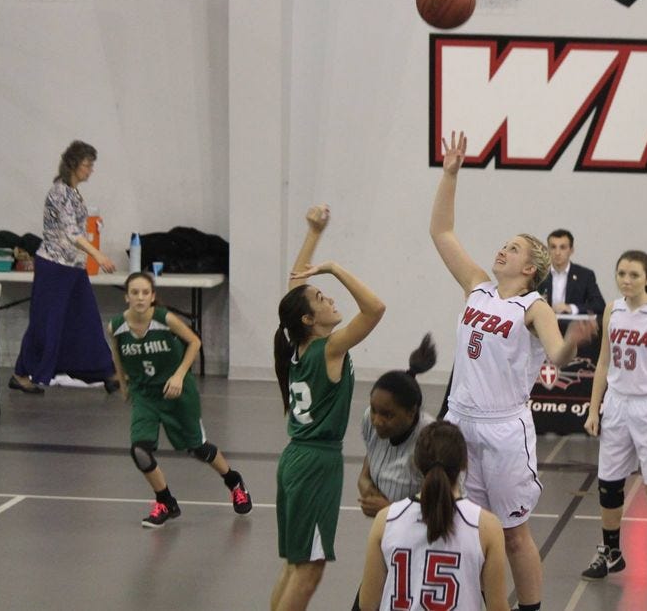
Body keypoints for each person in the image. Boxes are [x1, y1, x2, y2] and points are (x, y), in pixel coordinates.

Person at [430, 131, 595, 611]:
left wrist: (574, 341)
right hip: (460, 422)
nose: (502, 250)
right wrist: (450, 174)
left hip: (504, 429)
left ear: (530, 268)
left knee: (514, 534)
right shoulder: (477, 287)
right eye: (503, 245)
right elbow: (441, 232)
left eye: (514, 249)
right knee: (462, 527)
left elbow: (557, 354)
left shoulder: (533, 305)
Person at [270, 205, 386, 611]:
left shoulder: (294, 346)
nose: (330, 298)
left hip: (295, 459)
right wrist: (333, 268)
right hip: (317, 464)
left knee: (295, 565)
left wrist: (313, 233)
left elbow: (294, 289)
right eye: (322, 298)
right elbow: (375, 308)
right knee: (309, 571)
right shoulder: (330, 348)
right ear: (309, 318)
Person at [107, 272, 252, 527]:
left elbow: (194, 342)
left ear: (152, 297)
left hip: (176, 392)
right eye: (134, 292)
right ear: (126, 297)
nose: (140, 297)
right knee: (140, 450)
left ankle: (233, 481)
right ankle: (165, 501)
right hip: (145, 394)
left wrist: (179, 375)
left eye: (145, 292)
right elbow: (117, 353)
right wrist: (122, 382)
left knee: (198, 448)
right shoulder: (116, 326)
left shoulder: (165, 320)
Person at [582, 250, 647, 591]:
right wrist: (594, 409)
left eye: (634, 275)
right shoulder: (612, 310)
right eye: (622, 274)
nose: (626, 280)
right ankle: (611, 552)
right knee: (609, 485)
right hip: (616, 405)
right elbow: (603, 363)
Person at [358, 421, 509, 611]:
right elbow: (497, 608)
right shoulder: (486, 526)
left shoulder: (386, 519)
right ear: (464, 464)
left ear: (417, 463)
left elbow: (367, 603)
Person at [10, 140, 119, 395]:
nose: (91, 170)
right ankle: (20, 374)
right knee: (45, 323)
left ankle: (108, 372)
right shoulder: (59, 192)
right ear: (73, 164)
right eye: (87, 165)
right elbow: (72, 233)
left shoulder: (73, 192)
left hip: (73, 267)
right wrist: (98, 255)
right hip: (54, 267)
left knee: (87, 319)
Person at [358, 334, 438, 518]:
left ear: (411, 412)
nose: (377, 421)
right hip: (389, 524)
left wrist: (391, 509)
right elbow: (365, 472)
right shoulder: (369, 420)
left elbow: (444, 503)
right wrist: (367, 488)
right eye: (374, 410)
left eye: (388, 415)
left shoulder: (431, 440)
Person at [537, 229, 606, 318]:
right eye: (553, 247)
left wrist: (571, 308)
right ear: (547, 250)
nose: (557, 253)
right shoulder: (539, 275)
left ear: (571, 250)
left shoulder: (585, 275)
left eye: (562, 247)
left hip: (573, 325)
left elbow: (599, 305)